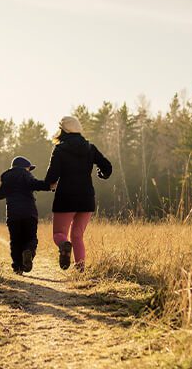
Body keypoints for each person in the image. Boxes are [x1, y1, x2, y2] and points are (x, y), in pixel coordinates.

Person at [44, 116, 112, 271]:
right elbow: (107, 167)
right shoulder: (90, 148)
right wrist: (101, 173)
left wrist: (49, 185)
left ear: (63, 131)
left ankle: (64, 245)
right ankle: (80, 269)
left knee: (59, 234)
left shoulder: (60, 150)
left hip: (66, 198)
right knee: (77, 236)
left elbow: (51, 178)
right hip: (86, 198)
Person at [0, 156, 50, 275]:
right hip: (29, 213)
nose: (29, 170)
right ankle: (29, 252)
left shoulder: (5, 176)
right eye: (29, 168)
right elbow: (36, 185)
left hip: (13, 214)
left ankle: (18, 267)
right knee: (31, 238)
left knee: (15, 241)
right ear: (24, 167)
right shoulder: (26, 175)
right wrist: (49, 185)